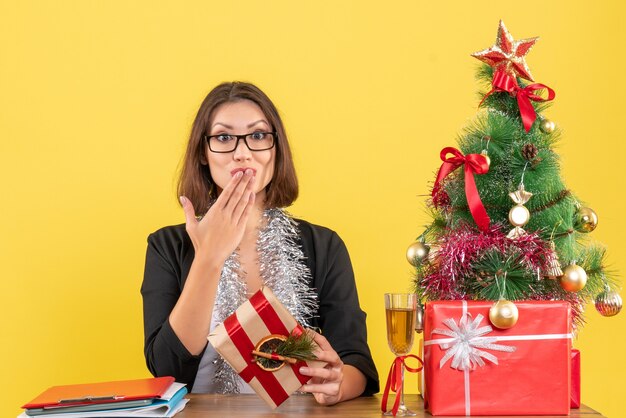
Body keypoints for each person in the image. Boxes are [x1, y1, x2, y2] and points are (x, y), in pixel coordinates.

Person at [141, 82, 379, 405]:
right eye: (224, 138)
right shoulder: (166, 246)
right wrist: (208, 259)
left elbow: (357, 363)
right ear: (203, 152)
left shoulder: (324, 246)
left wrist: (338, 383)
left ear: (275, 149)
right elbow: (166, 369)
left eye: (257, 136)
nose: (242, 153)